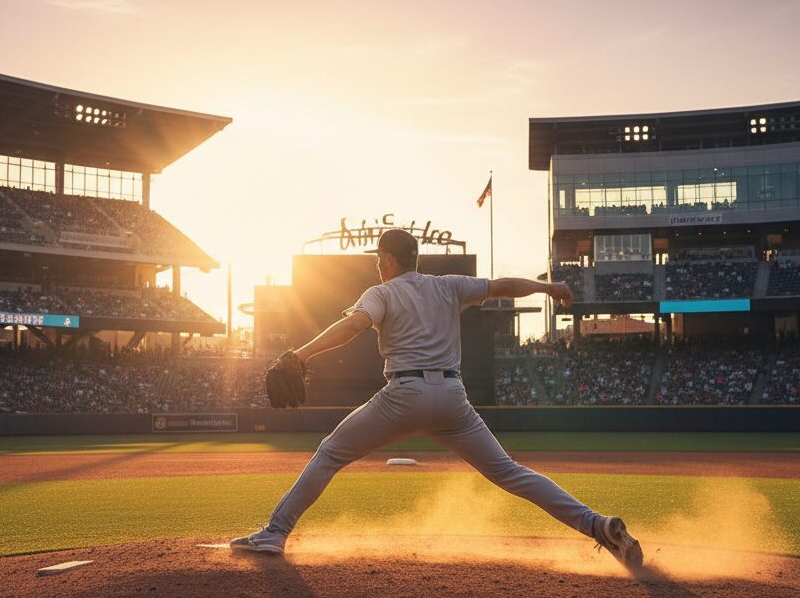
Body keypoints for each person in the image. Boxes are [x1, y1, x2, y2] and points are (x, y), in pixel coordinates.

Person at [231, 228, 643, 569]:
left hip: (404, 395)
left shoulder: (382, 292)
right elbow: (503, 285)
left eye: (379, 257)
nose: (378, 263)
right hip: (451, 397)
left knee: (330, 453)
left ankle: (275, 533)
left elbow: (354, 326)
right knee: (511, 473)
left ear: (389, 259)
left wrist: (300, 354)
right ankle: (597, 525)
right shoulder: (448, 286)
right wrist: (547, 287)